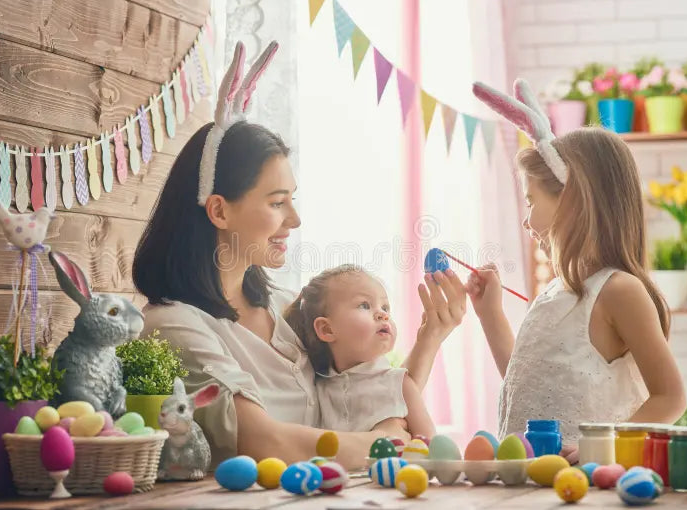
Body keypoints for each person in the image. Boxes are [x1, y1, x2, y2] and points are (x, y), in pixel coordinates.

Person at [133, 41, 466, 469]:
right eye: (277, 203)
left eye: (292, 199)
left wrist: (430, 336)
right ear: (219, 209)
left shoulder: (283, 305)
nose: (295, 219)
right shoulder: (175, 326)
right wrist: (385, 444)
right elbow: (263, 441)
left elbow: (367, 397)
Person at [467, 79, 686, 463]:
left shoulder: (619, 291)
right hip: (532, 481)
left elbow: (670, 397)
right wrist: (490, 315)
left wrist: (599, 450)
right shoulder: (557, 291)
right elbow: (526, 382)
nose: (526, 221)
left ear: (573, 201)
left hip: (586, 487)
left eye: (531, 202)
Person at [284, 265, 436, 437]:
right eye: (365, 305)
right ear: (327, 329)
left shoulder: (400, 384)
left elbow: (433, 449)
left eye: (385, 308)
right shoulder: (316, 389)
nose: (382, 314)